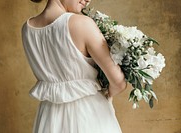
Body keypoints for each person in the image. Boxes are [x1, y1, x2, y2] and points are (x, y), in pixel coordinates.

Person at [21, 0, 127, 132]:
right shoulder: (81, 24)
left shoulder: (27, 29)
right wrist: (108, 95)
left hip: (48, 117)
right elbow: (119, 82)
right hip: (87, 113)